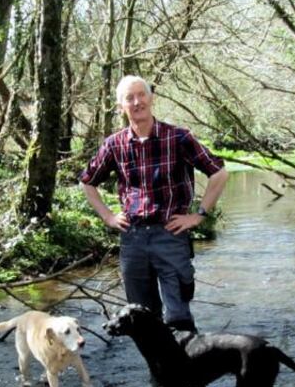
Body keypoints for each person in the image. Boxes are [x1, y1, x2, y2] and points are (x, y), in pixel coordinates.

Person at [80, 75, 228, 332]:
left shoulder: (178, 138)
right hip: (133, 239)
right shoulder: (114, 145)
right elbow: (87, 182)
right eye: (129, 98)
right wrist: (108, 217)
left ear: (151, 98)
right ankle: (158, 373)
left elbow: (219, 173)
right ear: (121, 106)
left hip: (170, 235)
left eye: (141, 95)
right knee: (143, 319)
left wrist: (199, 215)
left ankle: (186, 370)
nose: (137, 102)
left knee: (178, 317)